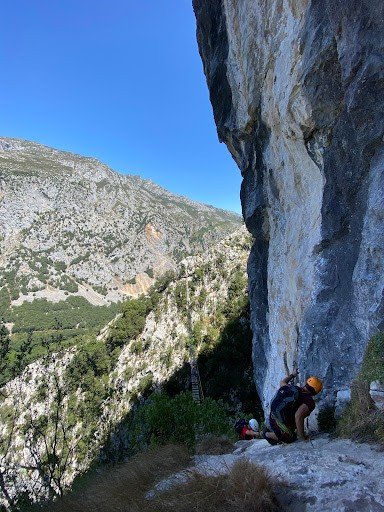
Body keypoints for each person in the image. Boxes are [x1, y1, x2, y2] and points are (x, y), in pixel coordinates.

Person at [263, 371, 323, 445]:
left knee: (290, 430)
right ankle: (266, 434)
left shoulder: (293, 388)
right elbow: (298, 417)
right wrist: (303, 438)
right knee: (291, 438)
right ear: (316, 392)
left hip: (273, 416)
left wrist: (292, 375)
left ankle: (277, 432)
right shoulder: (309, 401)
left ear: (306, 383)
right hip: (280, 422)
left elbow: (282, 382)